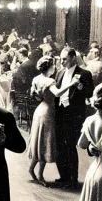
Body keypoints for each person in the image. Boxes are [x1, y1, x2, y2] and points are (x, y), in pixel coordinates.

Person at [27, 56, 79, 185]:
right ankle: (39, 175)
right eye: (53, 66)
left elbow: (35, 96)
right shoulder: (49, 80)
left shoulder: (36, 78)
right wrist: (72, 83)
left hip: (39, 110)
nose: (55, 67)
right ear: (49, 67)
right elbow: (57, 93)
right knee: (45, 142)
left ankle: (31, 169)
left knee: (38, 141)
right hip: (48, 112)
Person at [54, 48, 95, 188]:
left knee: (70, 145)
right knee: (60, 144)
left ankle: (73, 178)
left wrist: (80, 86)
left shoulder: (84, 73)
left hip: (73, 114)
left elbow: (90, 93)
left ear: (72, 58)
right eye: (61, 58)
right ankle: (63, 175)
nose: (61, 61)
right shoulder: (59, 72)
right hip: (60, 112)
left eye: (64, 59)